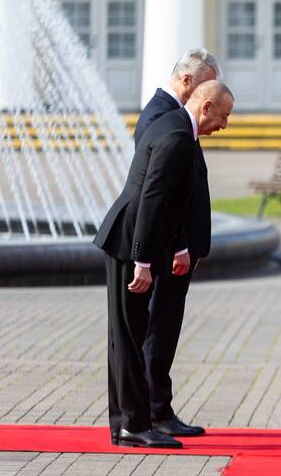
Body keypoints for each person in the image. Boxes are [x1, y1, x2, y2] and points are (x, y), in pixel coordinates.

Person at [95, 80, 233, 449]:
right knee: (128, 338)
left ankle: (128, 424)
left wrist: (176, 247)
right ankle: (133, 426)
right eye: (223, 115)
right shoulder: (176, 138)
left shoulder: (174, 126)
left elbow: (167, 205)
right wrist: (142, 260)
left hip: (134, 242)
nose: (225, 124)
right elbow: (151, 202)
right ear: (205, 108)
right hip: (130, 245)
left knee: (128, 336)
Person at [134, 49, 222, 439]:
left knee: (166, 329)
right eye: (206, 84)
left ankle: (160, 408)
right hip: (170, 249)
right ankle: (155, 412)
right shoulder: (161, 116)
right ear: (188, 81)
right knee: (159, 329)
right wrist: (182, 245)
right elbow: (162, 194)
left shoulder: (173, 114)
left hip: (176, 247)